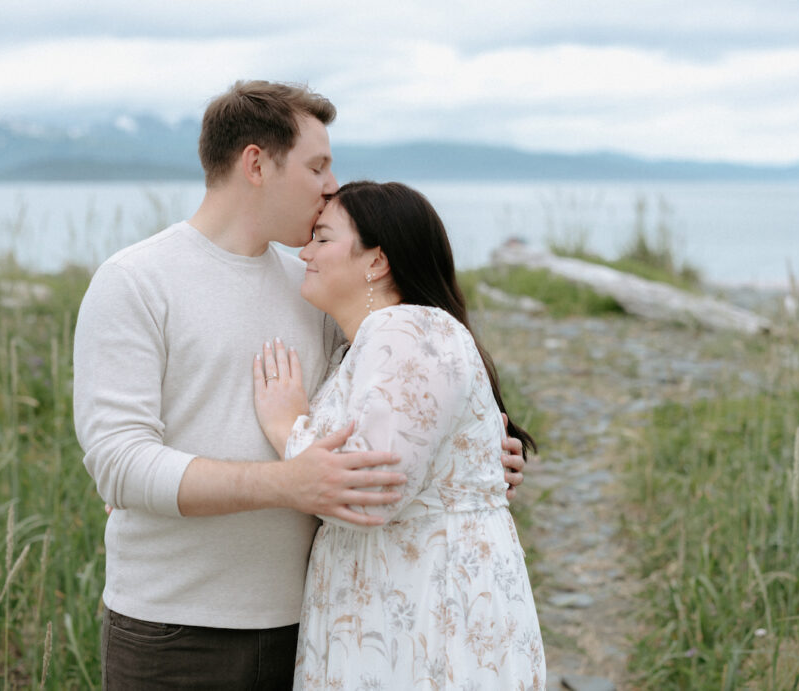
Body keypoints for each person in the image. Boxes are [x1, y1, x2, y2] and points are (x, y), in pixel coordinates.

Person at [74, 80, 528, 689]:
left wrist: (476, 453)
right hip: (175, 628)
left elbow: (390, 413)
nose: (330, 187)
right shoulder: (135, 281)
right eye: (317, 166)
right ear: (257, 164)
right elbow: (120, 464)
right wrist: (286, 482)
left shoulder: (314, 284)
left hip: (314, 623)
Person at [253, 181, 546, 689]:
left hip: (424, 608)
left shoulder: (406, 331)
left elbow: (372, 493)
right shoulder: (375, 342)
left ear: (377, 261)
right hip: (392, 602)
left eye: (322, 239)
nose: (304, 252)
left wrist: (286, 426)